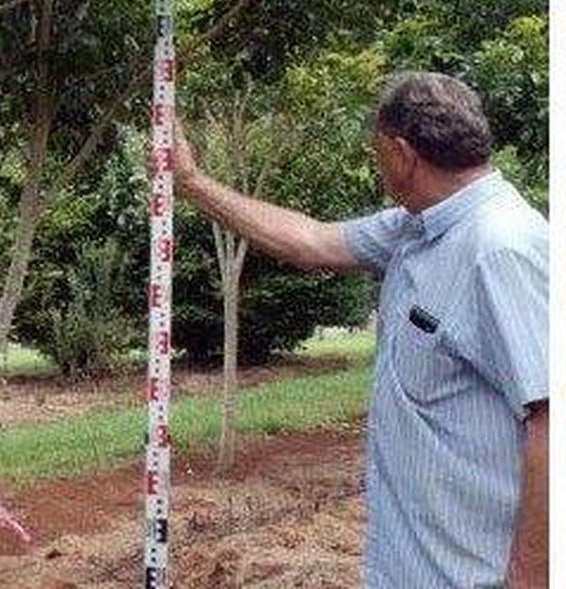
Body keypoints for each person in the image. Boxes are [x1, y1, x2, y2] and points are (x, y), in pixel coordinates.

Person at [173, 71, 548, 588]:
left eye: (377, 155)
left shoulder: (502, 248)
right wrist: (192, 182)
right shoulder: (415, 228)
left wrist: (529, 580)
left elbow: (552, 424)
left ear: (401, 154)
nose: (378, 169)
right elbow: (310, 241)